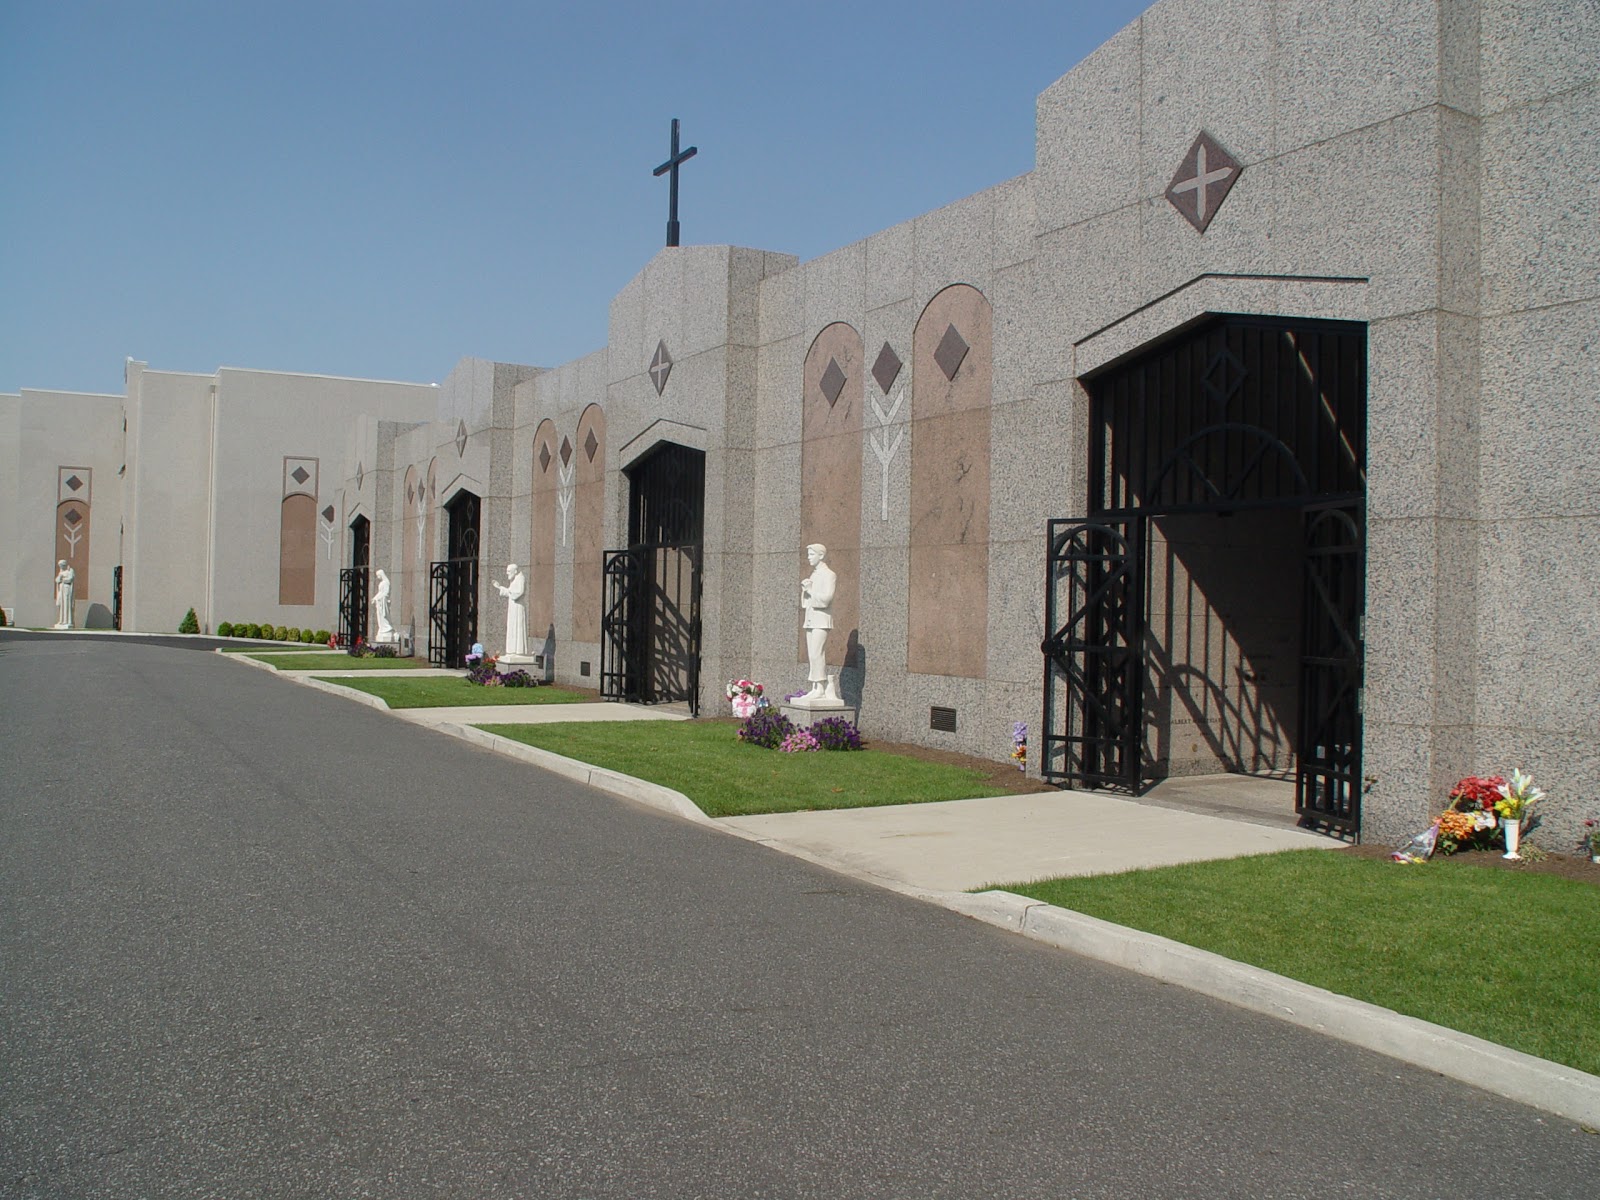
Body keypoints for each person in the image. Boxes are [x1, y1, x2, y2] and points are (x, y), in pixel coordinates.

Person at [800, 544, 836, 699]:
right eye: (808, 554)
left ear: (821, 556)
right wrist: (806, 591)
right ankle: (815, 686)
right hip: (811, 619)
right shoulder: (814, 575)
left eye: (811, 554)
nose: (808, 557)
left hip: (821, 620)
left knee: (817, 653)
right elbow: (806, 602)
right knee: (811, 654)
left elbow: (826, 599)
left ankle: (820, 687)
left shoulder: (829, 575)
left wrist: (809, 590)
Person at [494, 563, 528, 656]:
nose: (507, 573)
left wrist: (508, 591)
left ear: (515, 571)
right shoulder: (514, 580)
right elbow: (510, 592)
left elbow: (518, 593)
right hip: (513, 607)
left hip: (518, 607)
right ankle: (512, 650)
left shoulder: (520, 578)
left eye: (509, 571)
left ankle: (518, 651)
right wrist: (499, 587)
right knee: (512, 627)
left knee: (517, 627)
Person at [371, 568, 394, 640]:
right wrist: (375, 598)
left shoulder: (386, 582)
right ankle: (382, 629)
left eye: (378, 575)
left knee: (384, 616)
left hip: (383, 602)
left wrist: (378, 598)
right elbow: (380, 592)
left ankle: (387, 628)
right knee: (380, 616)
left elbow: (385, 593)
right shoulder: (381, 583)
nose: (378, 577)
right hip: (379, 602)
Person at [53, 559, 75, 629]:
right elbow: (57, 580)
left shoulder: (70, 570)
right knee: (62, 604)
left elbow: (71, 579)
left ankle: (67, 621)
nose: (61, 567)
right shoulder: (61, 572)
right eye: (60, 566)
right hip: (61, 589)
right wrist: (60, 578)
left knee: (66, 604)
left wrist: (63, 579)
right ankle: (61, 620)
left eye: (62, 566)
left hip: (67, 588)